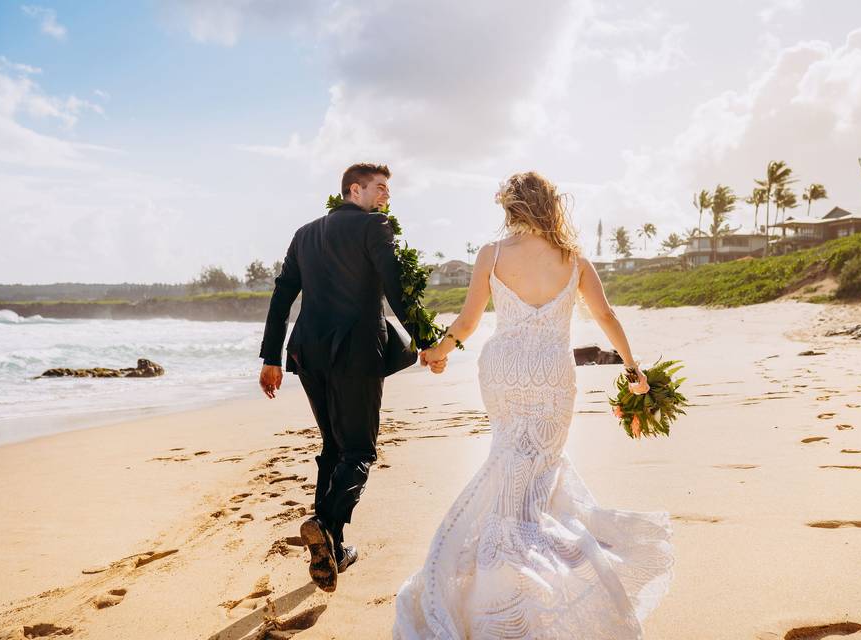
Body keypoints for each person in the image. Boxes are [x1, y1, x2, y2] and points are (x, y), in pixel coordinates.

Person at [392, 171, 674, 639]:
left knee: (506, 461)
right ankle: (523, 573)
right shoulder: (574, 260)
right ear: (551, 207)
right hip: (550, 373)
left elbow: (467, 321)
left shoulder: (493, 254)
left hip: (503, 370)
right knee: (541, 469)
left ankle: (502, 570)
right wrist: (632, 368)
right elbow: (605, 315)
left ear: (511, 208)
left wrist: (438, 352)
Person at [258, 163, 446, 593]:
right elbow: (396, 287)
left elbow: (282, 295)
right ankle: (324, 523)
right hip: (356, 351)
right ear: (354, 190)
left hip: (307, 352)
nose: (386, 197)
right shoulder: (374, 226)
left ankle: (333, 549)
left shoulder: (304, 233)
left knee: (333, 445)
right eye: (380, 188)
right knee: (359, 448)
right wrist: (428, 343)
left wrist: (270, 355)